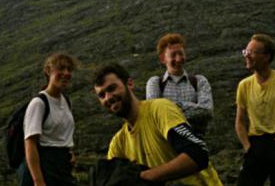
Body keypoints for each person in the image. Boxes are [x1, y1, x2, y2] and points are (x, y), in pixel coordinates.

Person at [93, 63, 223, 186]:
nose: (108, 97)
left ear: (130, 84)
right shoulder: (118, 145)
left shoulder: (159, 109)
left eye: (112, 88)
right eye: (101, 95)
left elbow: (198, 154)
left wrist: (144, 177)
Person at [235, 33, 275, 186]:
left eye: (252, 52)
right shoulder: (244, 85)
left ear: (266, 56)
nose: (247, 56)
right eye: (246, 51)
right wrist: (247, 147)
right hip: (255, 145)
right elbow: (240, 121)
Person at [20, 53, 79, 186]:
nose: (66, 73)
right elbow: (30, 143)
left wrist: (69, 153)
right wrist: (38, 181)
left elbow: (60, 135)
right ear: (48, 71)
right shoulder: (39, 103)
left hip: (62, 167)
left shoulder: (66, 101)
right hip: (45, 167)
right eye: (61, 68)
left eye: (69, 69)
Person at [145, 33, 213, 135]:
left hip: (197, 143)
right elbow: (155, 115)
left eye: (181, 53)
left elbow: (207, 111)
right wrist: (192, 107)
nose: (178, 59)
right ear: (163, 59)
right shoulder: (154, 83)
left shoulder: (200, 81)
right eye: (173, 55)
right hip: (167, 146)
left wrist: (173, 107)